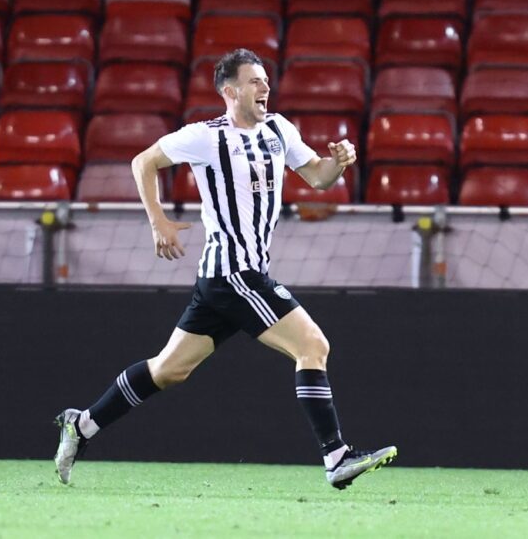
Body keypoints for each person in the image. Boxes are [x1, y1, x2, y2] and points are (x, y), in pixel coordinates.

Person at [54, 48, 397, 490]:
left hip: (221, 279)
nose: (265, 87)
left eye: (266, 80)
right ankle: (336, 457)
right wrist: (158, 221)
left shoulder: (279, 129)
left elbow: (317, 177)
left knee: (168, 370)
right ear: (230, 91)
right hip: (235, 273)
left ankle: (82, 426)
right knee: (313, 345)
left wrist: (340, 161)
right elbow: (143, 162)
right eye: (255, 81)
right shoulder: (205, 136)